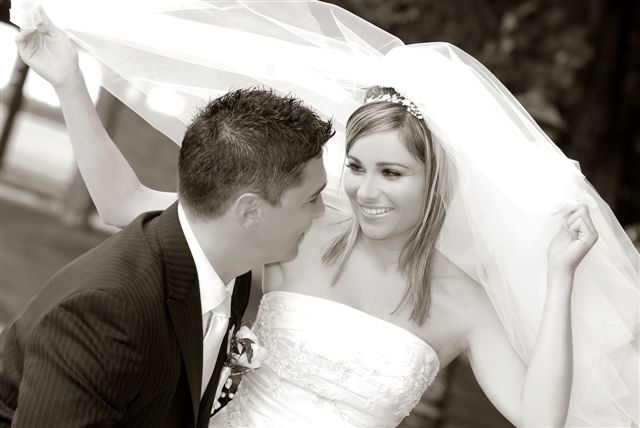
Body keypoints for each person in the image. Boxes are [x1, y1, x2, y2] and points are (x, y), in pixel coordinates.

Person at [9, 2, 639, 427]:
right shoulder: (299, 233)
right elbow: (122, 203)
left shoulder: (463, 302)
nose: (365, 191)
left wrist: (560, 279)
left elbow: (540, 418)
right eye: (356, 166)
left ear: (436, 182)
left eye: (392, 173)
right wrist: (68, 83)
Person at [0, 11, 333, 428]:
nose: (322, 212)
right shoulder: (107, 311)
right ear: (250, 211)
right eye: (312, 199)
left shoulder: (228, 262)